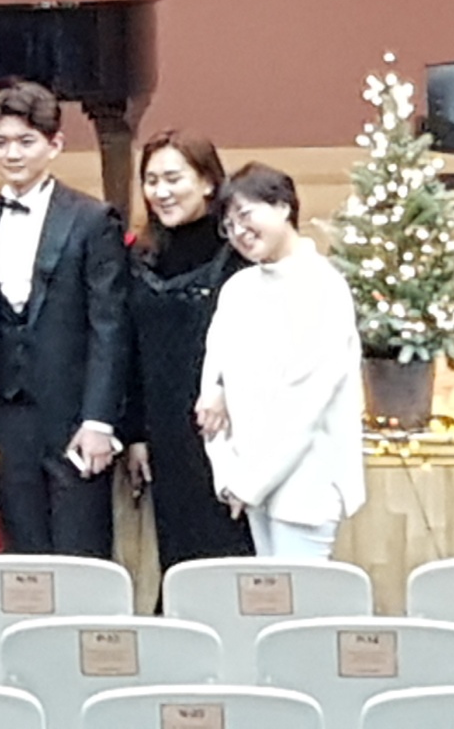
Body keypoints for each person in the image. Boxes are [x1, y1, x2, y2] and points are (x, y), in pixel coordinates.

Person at [0, 82, 130, 558]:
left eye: (26, 141)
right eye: (1, 142)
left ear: (54, 145)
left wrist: (99, 420)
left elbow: (109, 327)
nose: (12, 153)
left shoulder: (92, 219)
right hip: (9, 414)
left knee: (81, 550)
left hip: (74, 414)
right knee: (22, 549)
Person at [196, 162, 365, 558]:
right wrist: (230, 474)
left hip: (307, 483)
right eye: (228, 225)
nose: (238, 231)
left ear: (283, 207)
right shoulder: (238, 288)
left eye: (245, 215)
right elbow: (213, 383)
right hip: (248, 479)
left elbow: (306, 402)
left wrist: (250, 483)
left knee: (302, 595)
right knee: (268, 594)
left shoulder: (323, 286)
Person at [121, 131, 254, 579]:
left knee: (230, 555)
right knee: (179, 556)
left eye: (173, 178)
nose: (161, 191)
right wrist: (136, 433)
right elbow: (132, 349)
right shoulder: (141, 256)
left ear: (208, 182)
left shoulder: (238, 256)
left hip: (227, 428)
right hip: (166, 432)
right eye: (151, 180)